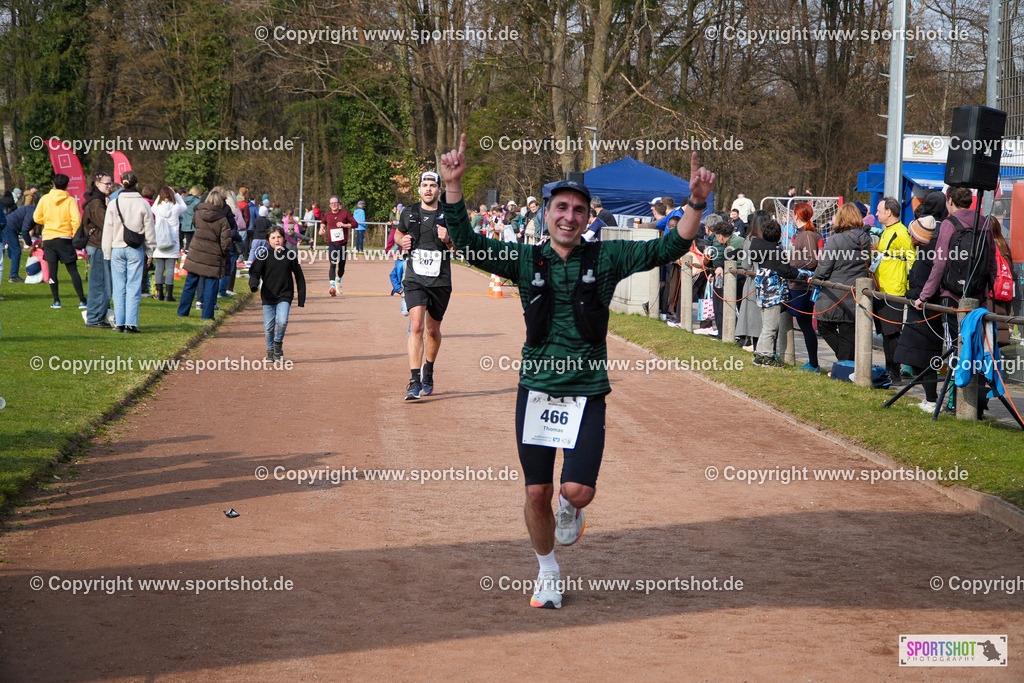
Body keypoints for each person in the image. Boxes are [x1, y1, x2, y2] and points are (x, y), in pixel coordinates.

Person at [438, 134, 713, 609]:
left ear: (588, 218)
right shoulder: (526, 259)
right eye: (561, 208)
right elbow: (466, 243)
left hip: (586, 392)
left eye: (578, 210)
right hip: (537, 390)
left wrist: (697, 203)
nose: (569, 217)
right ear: (546, 214)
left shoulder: (607, 257)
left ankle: (571, 507)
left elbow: (670, 246)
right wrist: (453, 186)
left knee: (577, 491)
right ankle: (547, 571)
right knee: (537, 491)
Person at [396, 171, 455, 400]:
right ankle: (414, 381)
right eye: (425, 185)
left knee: (432, 330)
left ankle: (428, 370)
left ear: (439, 189)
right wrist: (402, 241)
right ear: (419, 189)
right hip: (415, 278)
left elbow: (461, 247)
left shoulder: (449, 215)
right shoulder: (409, 212)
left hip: (440, 280)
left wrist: (449, 239)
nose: (428, 189)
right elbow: (398, 235)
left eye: (432, 185)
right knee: (417, 326)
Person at [894, 215, 942, 412]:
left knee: (923, 358)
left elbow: (923, 287)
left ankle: (931, 400)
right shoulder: (929, 252)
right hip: (922, 313)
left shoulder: (926, 257)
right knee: (918, 358)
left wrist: (910, 293)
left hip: (925, 314)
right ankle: (930, 399)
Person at [812, 203, 871, 362]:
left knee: (824, 326)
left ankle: (845, 364)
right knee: (848, 333)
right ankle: (847, 364)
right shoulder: (866, 239)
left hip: (835, 294)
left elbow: (824, 267)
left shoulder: (836, 239)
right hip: (855, 294)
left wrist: (815, 278)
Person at [102, 171, 156, 332]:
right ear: (137, 185)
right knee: (133, 286)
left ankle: (119, 322)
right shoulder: (143, 204)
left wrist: (106, 251)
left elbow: (108, 229)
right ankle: (131, 323)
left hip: (117, 247)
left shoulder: (114, 203)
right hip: (135, 248)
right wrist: (150, 250)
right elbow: (150, 230)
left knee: (118, 286)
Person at [750, 219, 809, 366]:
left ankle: (759, 355)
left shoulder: (760, 248)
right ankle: (767, 358)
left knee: (766, 326)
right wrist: (805, 274)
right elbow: (786, 271)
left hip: (763, 293)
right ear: (778, 235)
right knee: (771, 327)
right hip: (773, 293)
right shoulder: (776, 251)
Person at [873, 197, 915, 385]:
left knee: (892, 334)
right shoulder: (887, 231)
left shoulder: (901, 232)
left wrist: (910, 286)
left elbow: (912, 258)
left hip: (893, 290)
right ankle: (889, 369)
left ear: (888, 212)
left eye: (879, 210)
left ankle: (895, 373)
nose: (876, 213)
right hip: (881, 288)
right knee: (885, 333)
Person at [249, 226, 306, 360]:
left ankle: (278, 342)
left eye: (279, 237)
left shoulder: (289, 255)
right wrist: (254, 284)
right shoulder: (264, 255)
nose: (277, 240)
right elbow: (254, 272)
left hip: (285, 294)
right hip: (268, 295)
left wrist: (301, 298)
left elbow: (299, 276)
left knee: (282, 321)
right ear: (268, 241)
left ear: (284, 239)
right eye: (273, 238)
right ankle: (270, 350)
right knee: (269, 327)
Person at [34, 174, 86, 310]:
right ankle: (82, 300)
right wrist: (73, 233)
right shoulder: (70, 200)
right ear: (67, 185)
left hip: (49, 239)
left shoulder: (45, 199)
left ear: (54, 184)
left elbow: (36, 217)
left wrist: (47, 221)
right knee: (73, 270)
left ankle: (56, 300)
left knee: (52, 271)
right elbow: (76, 220)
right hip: (64, 238)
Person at [177, 190, 232, 320]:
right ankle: (207, 315)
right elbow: (225, 242)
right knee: (210, 286)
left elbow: (195, 226)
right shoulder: (222, 220)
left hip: (196, 252)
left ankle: (182, 312)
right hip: (213, 255)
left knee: (190, 284)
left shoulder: (198, 214)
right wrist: (224, 254)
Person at [784, 202, 821, 371]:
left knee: (805, 325)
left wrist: (792, 267)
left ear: (797, 215)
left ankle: (813, 363)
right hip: (794, 284)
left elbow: (812, 261)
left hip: (802, 287)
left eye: (793, 213)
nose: (791, 216)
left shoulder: (807, 235)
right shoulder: (800, 234)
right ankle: (778, 353)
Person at [82, 173, 114, 327]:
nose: (109, 186)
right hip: (97, 245)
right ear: (97, 183)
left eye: (110, 183)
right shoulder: (96, 203)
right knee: (100, 283)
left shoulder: (97, 200)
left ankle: (98, 315)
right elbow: (107, 223)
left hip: (97, 245)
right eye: (106, 183)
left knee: (101, 282)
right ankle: (95, 317)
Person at [735, 211, 769, 350]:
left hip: (754, 281)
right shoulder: (774, 240)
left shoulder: (750, 240)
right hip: (770, 282)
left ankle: (754, 346)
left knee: (753, 316)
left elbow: (745, 265)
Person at [706, 215, 744, 339]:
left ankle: (735, 334)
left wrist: (720, 267)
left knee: (736, 306)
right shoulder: (735, 240)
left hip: (739, 277)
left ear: (720, 236)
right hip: (739, 276)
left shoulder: (733, 243)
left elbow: (730, 259)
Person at [152, 186, 187, 301]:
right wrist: (175, 194)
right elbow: (184, 206)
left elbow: (153, 207)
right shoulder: (176, 207)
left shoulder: (157, 207)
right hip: (172, 241)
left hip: (159, 240)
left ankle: (159, 293)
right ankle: (169, 294)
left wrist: (160, 195)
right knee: (170, 268)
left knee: (159, 267)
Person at [319, 197, 356, 296]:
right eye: (332, 203)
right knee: (333, 262)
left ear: (339, 204)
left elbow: (355, 224)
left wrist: (344, 225)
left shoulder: (345, 213)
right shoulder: (327, 214)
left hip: (342, 243)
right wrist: (321, 229)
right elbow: (323, 222)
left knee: (342, 265)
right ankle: (332, 286)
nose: (334, 205)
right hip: (331, 242)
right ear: (329, 205)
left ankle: (338, 280)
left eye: (335, 203)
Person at [5, 195, 39, 282]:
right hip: (9, 227)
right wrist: (30, 244)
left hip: (10, 226)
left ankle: (13, 274)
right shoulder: (33, 212)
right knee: (16, 250)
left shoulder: (33, 210)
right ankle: (13, 276)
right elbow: (25, 230)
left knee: (15, 249)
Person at [179, 187, 202, 251]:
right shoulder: (197, 201)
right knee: (195, 243)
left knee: (188, 242)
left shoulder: (182, 201)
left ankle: (186, 253)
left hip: (185, 224)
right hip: (194, 225)